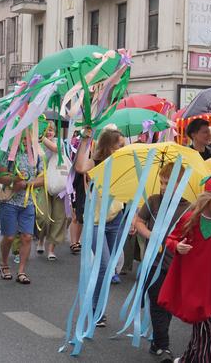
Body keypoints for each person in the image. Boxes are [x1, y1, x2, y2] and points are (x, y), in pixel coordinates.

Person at [158, 174, 211, 363]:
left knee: (203, 331)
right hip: (196, 285)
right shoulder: (191, 218)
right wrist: (177, 246)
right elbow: (170, 238)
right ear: (208, 198)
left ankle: (186, 359)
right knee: (206, 332)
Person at [132, 163, 191, 360]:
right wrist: (150, 234)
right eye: (162, 183)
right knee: (157, 302)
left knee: (168, 305)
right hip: (153, 262)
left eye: (169, 183)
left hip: (175, 263)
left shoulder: (188, 207)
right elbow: (138, 221)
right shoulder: (154, 201)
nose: (164, 187)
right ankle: (163, 345)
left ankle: (157, 341)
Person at [75, 126, 126, 326]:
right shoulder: (96, 163)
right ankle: (96, 310)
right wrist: (86, 140)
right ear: (108, 147)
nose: (123, 149)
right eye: (119, 146)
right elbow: (80, 167)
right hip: (95, 222)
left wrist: (133, 218)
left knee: (109, 268)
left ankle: (98, 309)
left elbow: (132, 192)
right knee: (103, 266)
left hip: (116, 220)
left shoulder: (124, 165)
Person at [0, 141, 44, 284]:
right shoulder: (9, 152)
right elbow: (0, 176)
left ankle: (21, 271)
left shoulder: (37, 154)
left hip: (28, 202)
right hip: (9, 200)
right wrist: (14, 180)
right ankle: (4, 264)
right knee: (9, 237)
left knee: (27, 237)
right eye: (23, 136)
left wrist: (27, 184)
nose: (26, 139)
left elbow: (43, 178)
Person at [36, 121, 67, 261]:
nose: (49, 132)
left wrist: (43, 139)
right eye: (47, 130)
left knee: (59, 216)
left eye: (51, 130)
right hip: (42, 183)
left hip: (58, 183)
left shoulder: (58, 142)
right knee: (43, 216)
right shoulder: (36, 144)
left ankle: (51, 249)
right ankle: (41, 239)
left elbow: (55, 149)